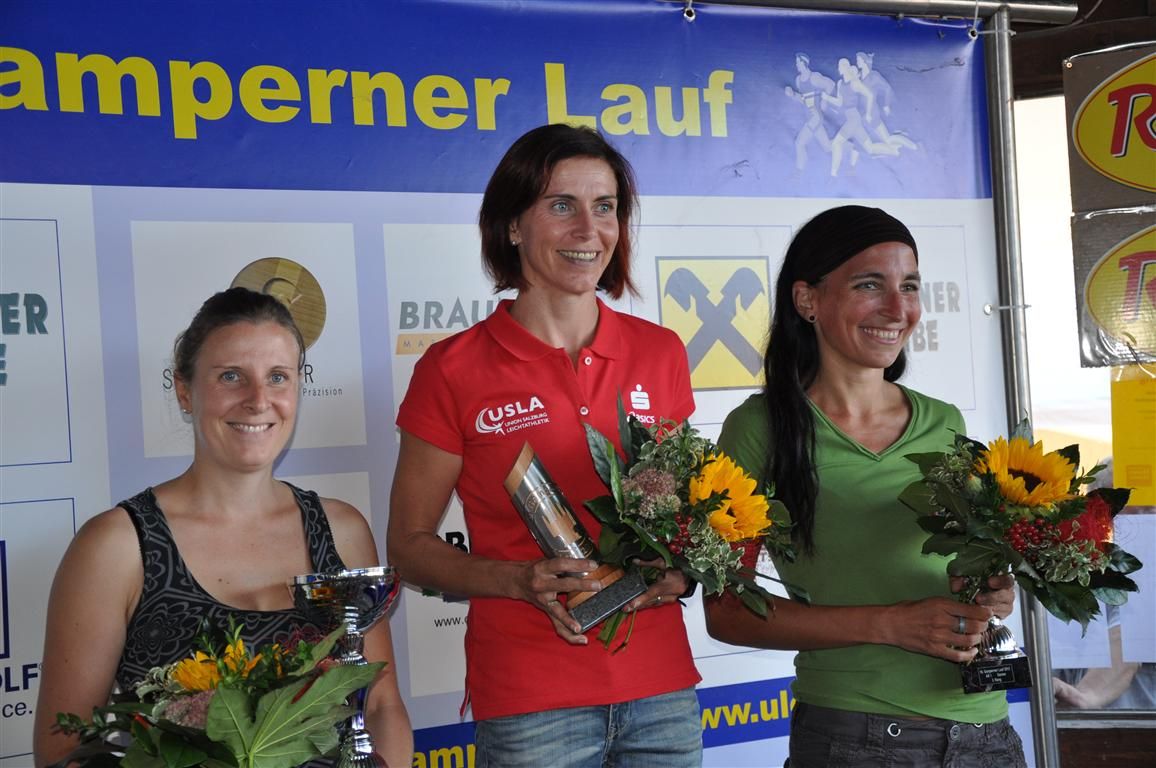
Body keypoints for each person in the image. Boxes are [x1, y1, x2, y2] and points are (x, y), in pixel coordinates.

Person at [387, 124, 702, 768]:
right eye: (562, 205)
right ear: (511, 224)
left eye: (605, 206)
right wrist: (516, 579)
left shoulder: (660, 351)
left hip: (661, 689)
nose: (589, 229)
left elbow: (690, 519)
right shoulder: (452, 369)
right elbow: (409, 548)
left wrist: (680, 573)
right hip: (531, 699)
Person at [33, 288, 413, 768]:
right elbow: (64, 748)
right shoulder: (117, 546)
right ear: (184, 390)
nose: (258, 400)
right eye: (231, 376)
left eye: (278, 377)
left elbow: (380, 705)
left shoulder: (342, 530)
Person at [704, 206, 1027, 767]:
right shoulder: (759, 430)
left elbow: (966, 566)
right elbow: (727, 611)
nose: (898, 309)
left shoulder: (945, 421)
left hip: (986, 731)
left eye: (910, 286)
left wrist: (995, 591)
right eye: (869, 285)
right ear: (807, 300)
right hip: (856, 737)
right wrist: (890, 624)